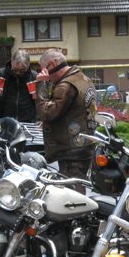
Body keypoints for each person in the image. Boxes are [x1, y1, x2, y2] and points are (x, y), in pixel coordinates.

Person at [34, 49, 97, 192]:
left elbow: (47, 113)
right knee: (78, 186)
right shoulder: (83, 79)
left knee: (71, 194)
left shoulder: (66, 85)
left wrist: (41, 85)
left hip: (71, 150)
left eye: (43, 70)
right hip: (84, 144)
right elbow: (74, 111)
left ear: (52, 64)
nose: (43, 74)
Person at [0, 49, 39, 123]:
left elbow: (42, 100)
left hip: (28, 123)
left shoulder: (35, 78)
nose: (18, 73)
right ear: (11, 62)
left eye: (22, 71)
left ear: (28, 64)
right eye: (15, 70)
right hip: (3, 122)